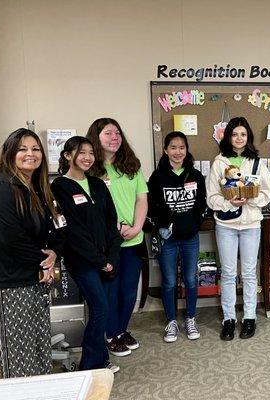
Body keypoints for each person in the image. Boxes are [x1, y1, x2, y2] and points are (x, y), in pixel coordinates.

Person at [0, 128, 62, 378]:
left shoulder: (37, 187)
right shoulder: (2, 188)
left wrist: (54, 253)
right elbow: (9, 239)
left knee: (39, 349)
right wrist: (44, 263)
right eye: (22, 149)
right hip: (12, 284)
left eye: (35, 149)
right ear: (10, 153)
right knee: (19, 357)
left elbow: (54, 229)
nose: (30, 154)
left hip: (35, 281)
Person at [51, 136, 122, 373]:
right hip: (83, 262)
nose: (87, 157)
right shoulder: (59, 186)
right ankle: (89, 367)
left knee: (100, 311)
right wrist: (100, 261)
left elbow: (112, 223)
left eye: (91, 153)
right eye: (81, 152)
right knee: (101, 308)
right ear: (67, 155)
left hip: (106, 259)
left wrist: (112, 257)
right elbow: (72, 231)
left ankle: (100, 360)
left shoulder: (99, 185)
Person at [206, 117, 270, 340]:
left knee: (249, 273)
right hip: (225, 224)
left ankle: (249, 318)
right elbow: (212, 196)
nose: (239, 138)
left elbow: (267, 192)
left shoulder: (256, 162)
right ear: (228, 137)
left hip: (251, 224)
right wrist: (229, 203)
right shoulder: (219, 162)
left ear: (248, 137)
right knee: (227, 273)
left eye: (243, 135)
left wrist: (250, 200)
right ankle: (229, 319)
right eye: (235, 134)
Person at [86, 118, 148, 356]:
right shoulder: (90, 169)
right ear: (96, 137)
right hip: (107, 243)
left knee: (129, 290)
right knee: (110, 291)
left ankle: (122, 330)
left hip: (133, 238)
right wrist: (115, 227)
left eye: (117, 133)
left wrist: (137, 226)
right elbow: (90, 209)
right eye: (108, 133)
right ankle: (111, 334)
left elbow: (142, 199)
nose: (114, 137)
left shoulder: (132, 166)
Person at [148, 131, 206, 343]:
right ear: (165, 150)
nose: (177, 152)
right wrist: (162, 225)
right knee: (170, 281)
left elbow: (202, 205)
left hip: (190, 237)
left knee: (191, 280)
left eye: (182, 147)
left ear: (186, 150)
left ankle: (191, 318)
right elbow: (151, 207)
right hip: (168, 239)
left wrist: (193, 224)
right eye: (173, 147)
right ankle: (171, 321)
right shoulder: (157, 177)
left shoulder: (196, 175)